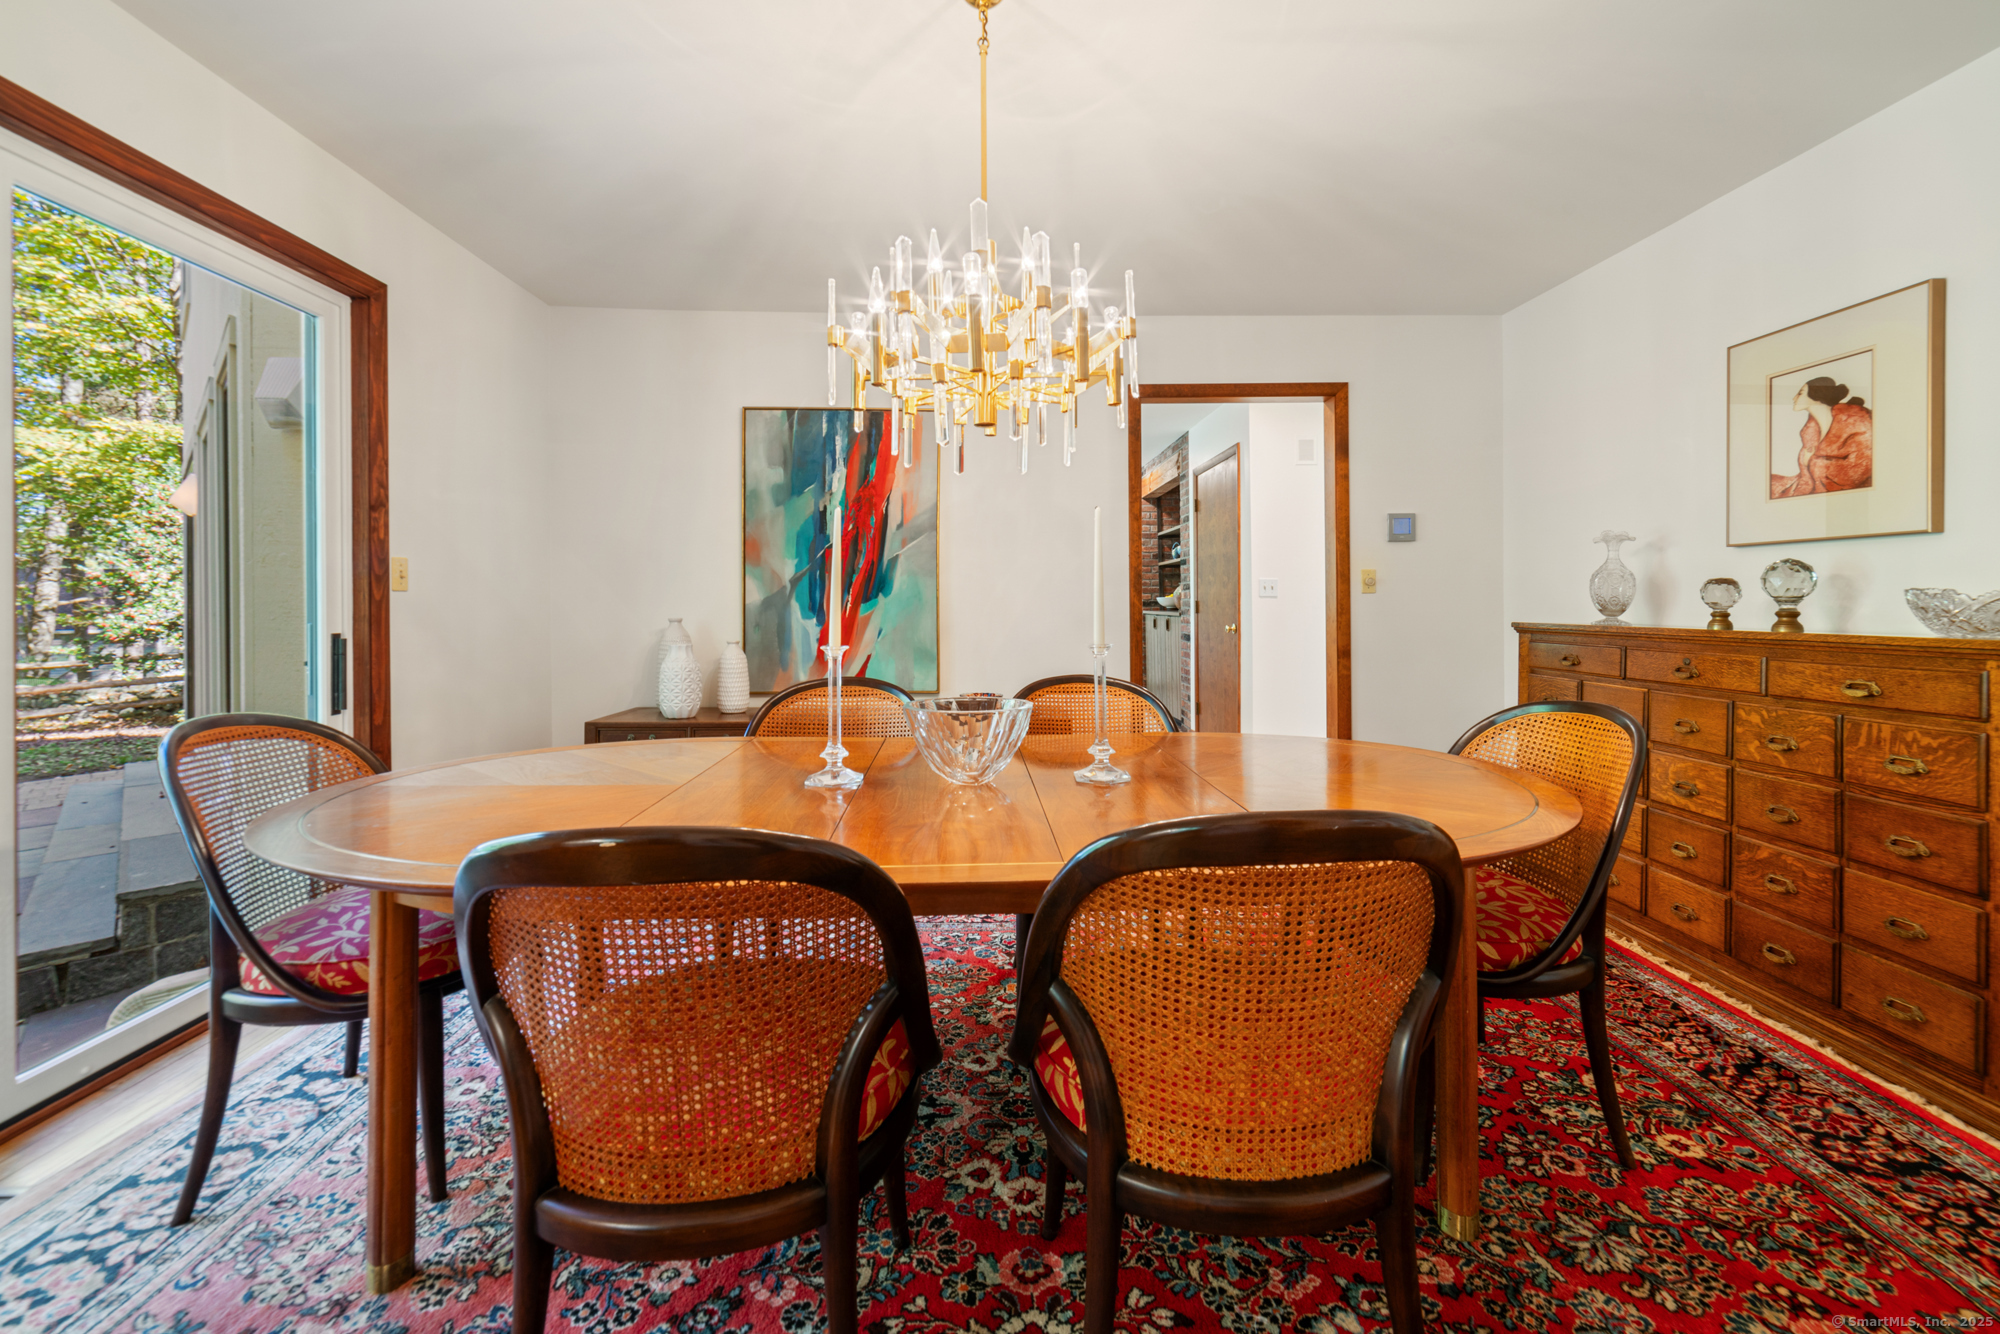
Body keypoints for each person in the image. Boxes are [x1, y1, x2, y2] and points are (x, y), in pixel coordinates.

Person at [1771, 375, 1872, 497]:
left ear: (1816, 396)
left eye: (1800, 393)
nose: (1794, 398)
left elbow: (1860, 469)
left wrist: (1814, 460)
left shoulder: (1858, 422)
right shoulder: (1811, 430)